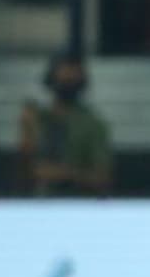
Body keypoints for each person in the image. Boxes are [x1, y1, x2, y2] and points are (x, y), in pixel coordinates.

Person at [18, 53, 113, 197]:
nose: (68, 80)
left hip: (78, 203)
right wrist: (26, 131)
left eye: (72, 77)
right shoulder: (38, 119)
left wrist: (63, 174)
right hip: (38, 203)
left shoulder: (92, 125)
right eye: (64, 77)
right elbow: (23, 175)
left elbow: (102, 178)